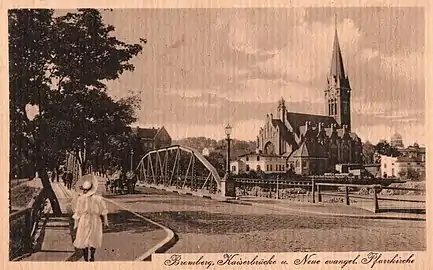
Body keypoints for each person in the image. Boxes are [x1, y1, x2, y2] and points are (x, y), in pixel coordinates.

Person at [72, 174, 108, 262]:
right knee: (86, 238)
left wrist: (106, 221)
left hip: (91, 219)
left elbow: (104, 210)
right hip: (89, 219)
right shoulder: (83, 199)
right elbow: (78, 211)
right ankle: (88, 257)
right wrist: (76, 223)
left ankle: (89, 257)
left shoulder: (96, 199)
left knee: (91, 238)